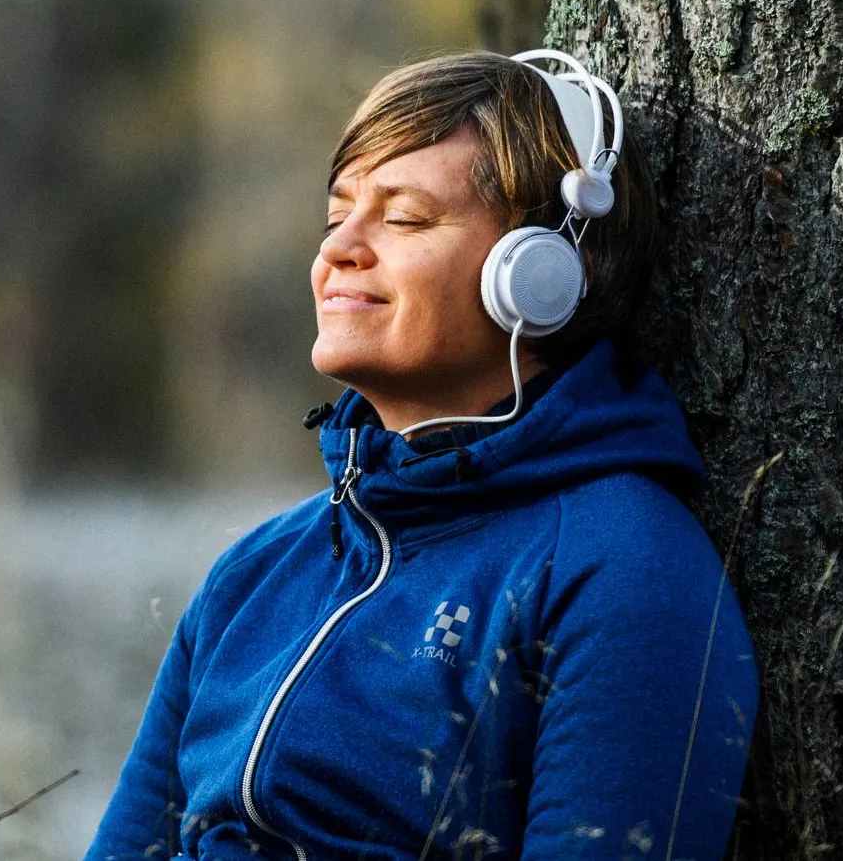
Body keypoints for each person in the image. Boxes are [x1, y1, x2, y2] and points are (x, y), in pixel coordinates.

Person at [82, 50, 759, 860]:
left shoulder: (621, 571)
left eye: (403, 219)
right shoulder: (255, 575)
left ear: (541, 272)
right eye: (337, 216)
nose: (341, 249)